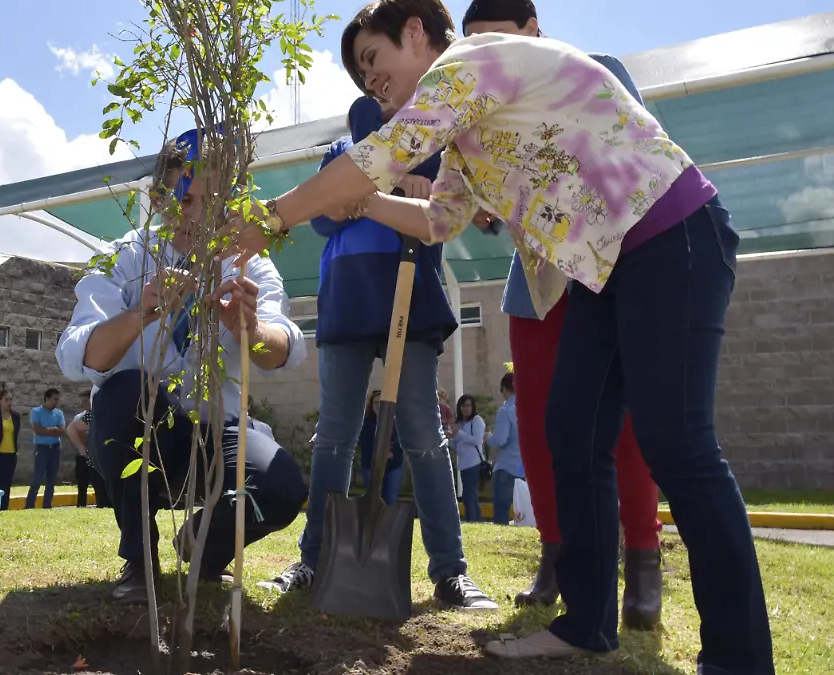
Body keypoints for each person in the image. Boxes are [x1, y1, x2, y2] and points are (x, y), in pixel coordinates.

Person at [225, 0, 771, 670]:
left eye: (373, 59)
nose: (371, 82)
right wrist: (365, 202)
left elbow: (380, 156)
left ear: (418, 32)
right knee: (571, 431)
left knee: (678, 444)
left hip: (670, 235)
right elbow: (440, 220)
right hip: (604, 268)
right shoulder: (463, 125)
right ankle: (586, 623)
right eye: (362, 75)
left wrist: (274, 217)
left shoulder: (469, 63)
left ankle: (741, 658)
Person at [461, 0, 664, 629]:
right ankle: (555, 557)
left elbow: (631, 165)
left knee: (620, 427)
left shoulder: (600, 70)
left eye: (499, 41)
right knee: (540, 429)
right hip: (535, 291)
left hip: (602, 280)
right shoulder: (481, 110)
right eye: (475, 47)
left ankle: (644, 562)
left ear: (533, 31)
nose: (488, 58)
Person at [260, 86, 495, 612]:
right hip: (346, 298)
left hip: (410, 298)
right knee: (334, 436)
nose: (383, 96)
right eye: (370, 84)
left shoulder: (434, 153)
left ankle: (450, 572)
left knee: (424, 436)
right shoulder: (339, 153)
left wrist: (412, 190)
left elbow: (445, 217)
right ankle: (314, 559)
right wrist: (374, 188)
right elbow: (321, 217)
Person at [55, 132, 309, 604]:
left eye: (214, 203)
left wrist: (248, 330)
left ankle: (204, 547)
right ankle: (139, 558)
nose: (199, 217)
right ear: (157, 200)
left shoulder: (247, 263)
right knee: (124, 391)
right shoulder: (125, 257)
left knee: (280, 486)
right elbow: (78, 356)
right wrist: (139, 315)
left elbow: (282, 350)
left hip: (220, 433)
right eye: (186, 201)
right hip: (147, 434)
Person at [486, 372, 522, 525]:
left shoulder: (505, 410)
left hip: (506, 467)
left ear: (504, 389)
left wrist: (488, 437)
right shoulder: (527, 408)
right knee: (524, 512)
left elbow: (500, 440)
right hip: (524, 468)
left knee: (501, 513)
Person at [357, 390, 404, 506]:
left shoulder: (396, 422)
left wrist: (391, 452)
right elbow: (364, 443)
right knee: (374, 500)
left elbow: (401, 442)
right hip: (371, 466)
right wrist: (379, 453)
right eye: (376, 403)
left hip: (393, 465)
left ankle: (389, 523)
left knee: (391, 500)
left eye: (381, 403)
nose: (378, 406)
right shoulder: (366, 423)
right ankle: (374, 524)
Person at [27, 388, 66, 509]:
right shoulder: (36, 411)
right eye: (54, 399)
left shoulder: (59, 413)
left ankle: (47, 505)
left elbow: (62, 430)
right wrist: (52, 430)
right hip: (42, 448)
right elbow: (37, 430)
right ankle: (29, 506)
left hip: (55, 448)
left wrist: (47, 431)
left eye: (58, 399)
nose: (56, 402)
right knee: (37, 478)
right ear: (47, 399)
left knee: (51, 479)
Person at [450, 394, 485, 522]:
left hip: (474, 463)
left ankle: (472, 521)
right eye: (463, 405)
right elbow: (457, 445)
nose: (466, 408)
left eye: (469, 405)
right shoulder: (459, 423)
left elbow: (477, 440)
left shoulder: (476, 420)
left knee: (468, 496)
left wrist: (459, 433)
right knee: (470, 496)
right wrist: (450, 437)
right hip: (464, 464)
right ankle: (478, 521)